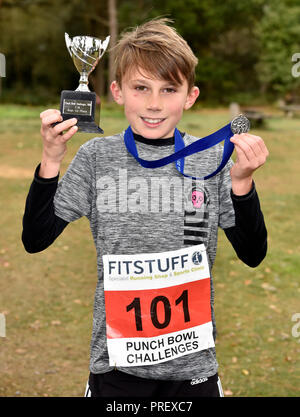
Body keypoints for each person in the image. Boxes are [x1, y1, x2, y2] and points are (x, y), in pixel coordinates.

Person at [22, 18, 268, 397]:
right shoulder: (95, 158)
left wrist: (242, 184)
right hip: (116, 370)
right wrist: (51, 159)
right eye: (141, 88)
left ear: (190, 96)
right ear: (118, 92)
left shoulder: (211, 159)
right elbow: (35, 239)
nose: (154, 104)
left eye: (169, 89)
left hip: (194, 372)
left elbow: (253, 254)